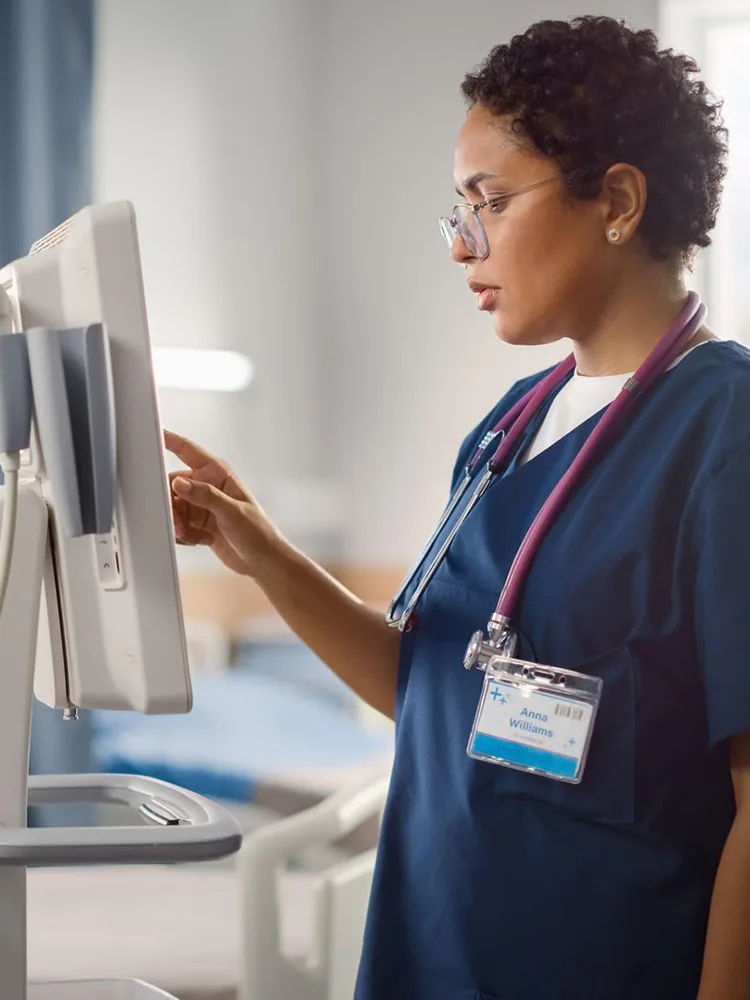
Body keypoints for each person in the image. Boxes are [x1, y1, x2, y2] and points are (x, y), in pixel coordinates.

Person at [164, 15, 750, 1000]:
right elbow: (432, 689)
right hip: (430, 949)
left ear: (615, 199)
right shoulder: (505, 432)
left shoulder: (723, 432)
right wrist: (259, 550)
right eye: (456, 211)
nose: (461, 245)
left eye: (489, 203)